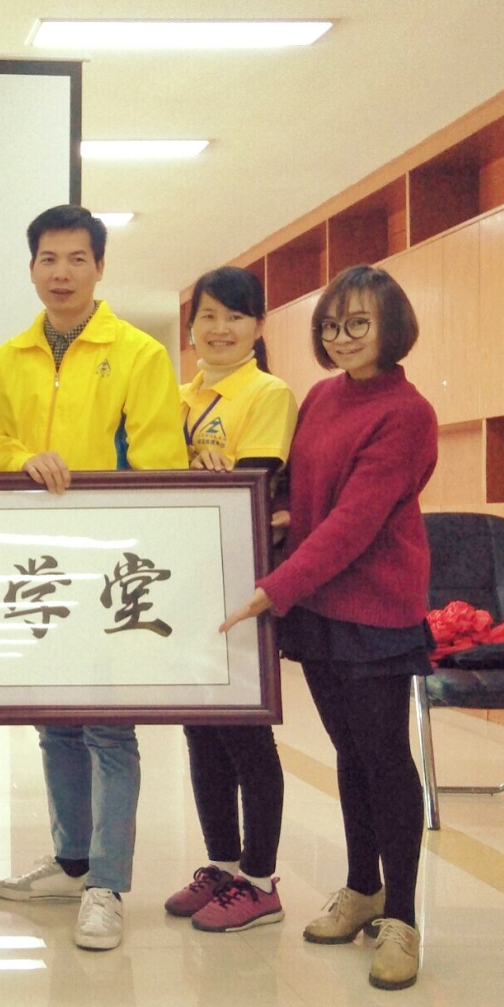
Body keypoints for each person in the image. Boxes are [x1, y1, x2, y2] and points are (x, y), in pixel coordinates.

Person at [0, 204, 188, 950]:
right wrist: (20, 460)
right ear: (31, 266)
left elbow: (159, 463)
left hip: (108, 565)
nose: (60, 273)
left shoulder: (138, 355)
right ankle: (71, 862)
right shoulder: (6, 359)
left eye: (75, 259)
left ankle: (107, 883)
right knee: (54, 718)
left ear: (99, 267)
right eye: (47, 258)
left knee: (107, 724)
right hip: (33, 564)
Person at [221, 264, 436, 990]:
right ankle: (361, 887)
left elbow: (353, 521)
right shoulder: (319, 396)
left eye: (357, 324)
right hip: (319, 607)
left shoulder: (406, 413)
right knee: (349, 754)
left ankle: (401, 918)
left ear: (390, 326)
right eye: (331, 325)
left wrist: (272, 588)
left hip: (374, 610)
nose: (341, 337)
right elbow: (303, 493)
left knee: (385, 759)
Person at [166, 267, 298, 932]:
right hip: (184, 580)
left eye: (235, 316)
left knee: (245, 731)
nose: (219, 329)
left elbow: (253, 483)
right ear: (191, 327)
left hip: (240, 585)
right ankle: (221, 865)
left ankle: (260, 879)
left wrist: (198, 474)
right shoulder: (177, 395)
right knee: (200, 727)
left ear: (258, 326)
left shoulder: (267, 392)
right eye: (208, 316)